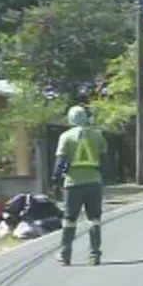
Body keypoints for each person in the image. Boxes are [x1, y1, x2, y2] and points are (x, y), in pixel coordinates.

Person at [53, 105, 108, 266]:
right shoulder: (98, 136)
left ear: (71, 119)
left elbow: (60, 163)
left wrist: (55, 180)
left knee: (69, 220)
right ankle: (94, 254)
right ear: (86, 117)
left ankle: (65, 254)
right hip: (94, 182)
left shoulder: (66, 137)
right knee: (94, 219)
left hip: (73, 184)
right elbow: (105, 163)